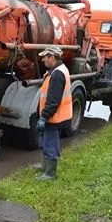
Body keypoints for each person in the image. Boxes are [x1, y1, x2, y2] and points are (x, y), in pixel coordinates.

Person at [35, 47, 72, 181]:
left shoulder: (57, 74)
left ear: (53, 57)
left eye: (45, 57)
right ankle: (45, 166)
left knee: (51, 143)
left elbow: (53, 100)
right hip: (53, 115)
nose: (43, 59)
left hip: (54, 117)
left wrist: (44, 117)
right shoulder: (55, 71)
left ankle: (50, 174)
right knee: (45, 140)